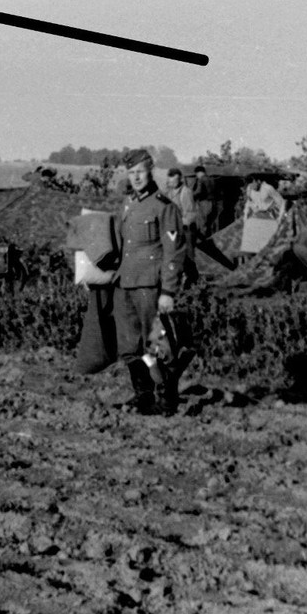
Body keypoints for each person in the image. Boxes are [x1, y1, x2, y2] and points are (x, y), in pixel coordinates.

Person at [113, 149, 188, 415]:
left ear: (151, 171)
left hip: (150, 286)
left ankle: (167, 400)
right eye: (131, 173)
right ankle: (143, 395)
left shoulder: (163, 206)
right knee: (130, 345)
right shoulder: (128, 204)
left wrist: (168, 290)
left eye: (140, 172)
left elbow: (174, 251)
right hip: (125, 283)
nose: (135, 178)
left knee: (158, 345)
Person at [164, 167, 199, 287]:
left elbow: (191, 214)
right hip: (173, 229)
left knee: (189, 257)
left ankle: (193, 283)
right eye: (170, 181)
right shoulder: (168, 193)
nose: (172, 183)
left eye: (175, 181)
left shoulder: (185, 192)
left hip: (186, 230)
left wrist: (179, 223)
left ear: (179, 180)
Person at [191, 165, 217, 238]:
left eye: (196, 174)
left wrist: (191, 195)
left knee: (203, 223)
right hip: (213, 202)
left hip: (204, 203)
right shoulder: (212, 179)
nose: (196, 176)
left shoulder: (201, 180)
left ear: (198, 173)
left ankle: (205, 240)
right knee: (211, 222)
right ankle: (213, 238)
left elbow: (198, 191)